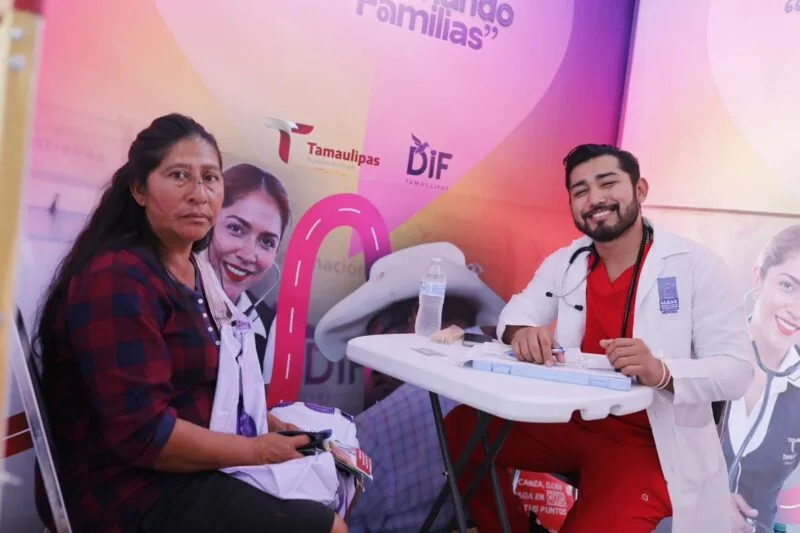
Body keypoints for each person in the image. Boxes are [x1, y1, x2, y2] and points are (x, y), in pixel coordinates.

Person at [33, 113, 347, 533]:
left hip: (180, 468)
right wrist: (258, 450)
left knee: (339, 473)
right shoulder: (117, 278)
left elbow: (204, 384)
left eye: (210, 178)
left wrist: (265, 424)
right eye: (179, 175)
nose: (199, 194)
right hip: (125, 490)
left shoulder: (195, 268)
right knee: (328, 528)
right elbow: (145, 435)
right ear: (139, 189)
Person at [443, 144, 755, 533]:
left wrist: (661, 371)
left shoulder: (697, 266)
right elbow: (518, 312)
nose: (594, 199)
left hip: (649, 445)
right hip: (573, 422)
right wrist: (522, 333)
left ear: (640, 189)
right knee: (462, 430)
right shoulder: (569, 260)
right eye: (580, 191)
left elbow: (737, 371)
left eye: (607, 183)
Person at [313, 242, 506, 533]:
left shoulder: (369, 434)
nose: (373, 370)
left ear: (419, 317)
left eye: (377, 338)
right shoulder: (499, 384)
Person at [724, 224, 800, 533]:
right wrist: (703, 494)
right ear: (758, 278)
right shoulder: (701, 352)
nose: (797, 310)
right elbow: (645, 455)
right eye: (788, 286)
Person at [206, 162, 289, 387]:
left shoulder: (268, 327)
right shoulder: (165, 299)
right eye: (236, 229)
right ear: (207, 223)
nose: (249, 255)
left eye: (267, 242)